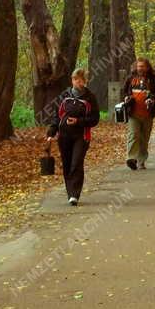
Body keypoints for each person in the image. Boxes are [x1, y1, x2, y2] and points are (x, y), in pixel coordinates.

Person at [47, 68, 101, 206]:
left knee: (76, 162)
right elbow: (56, 116)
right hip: (64, 136)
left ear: (85, 81)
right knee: (67, 163)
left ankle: (75, 194)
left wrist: (79, 121)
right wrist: (51, 132)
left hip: (81, 136)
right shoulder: (64, 96)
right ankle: (70, 193)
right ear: (72, 80)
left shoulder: (90, 97)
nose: (79, 82)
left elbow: (95, 119)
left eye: (81, 80)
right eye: (76, 79)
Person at [121, 57, 155, 170]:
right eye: (138, 66)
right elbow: (124, 91)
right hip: (133, 113)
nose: (140, 68)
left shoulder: (154, 79)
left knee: (144, 138)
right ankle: (131, 158)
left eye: (142, 66)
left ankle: (141, 161)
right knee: (133, 135)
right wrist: (127, 98)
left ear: (147, 67)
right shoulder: (131, 78)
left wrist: (153, 100)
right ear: (136, 66)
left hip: (147, 113)